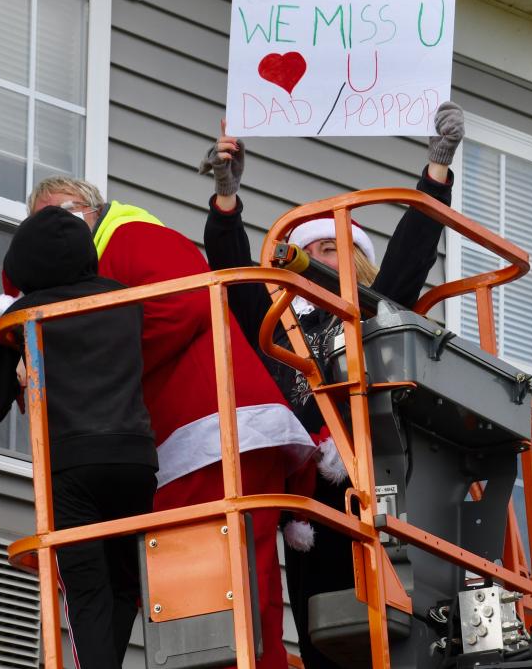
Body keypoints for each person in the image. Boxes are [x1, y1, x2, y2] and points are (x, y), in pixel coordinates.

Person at [199, 102, 465, 668]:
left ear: (358, 267)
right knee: (321, 637)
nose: (317, 261)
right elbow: (235, 278)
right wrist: (226, 200)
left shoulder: (368, 312)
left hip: (368, 487)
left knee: (375, 638)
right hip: (303, 500)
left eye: (331, 250)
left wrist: (436, 172)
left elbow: (409, 261)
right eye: (310, 251)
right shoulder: (278, 325)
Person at [12, 177, 316, 669]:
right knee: (228, 600)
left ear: (89, 210)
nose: (53, 229)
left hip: (209, 426)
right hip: (201, 435)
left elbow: (186, 303)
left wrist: (88, 361)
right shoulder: (88, 265)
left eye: (59, 214)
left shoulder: (128, 236)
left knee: (214, 603)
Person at [0, 206, 157, 669]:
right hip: (136, 460)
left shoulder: (24, 315)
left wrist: (10, 364)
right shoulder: (126, 301)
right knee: (124, 586)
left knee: (86, 590)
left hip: (73, 466)